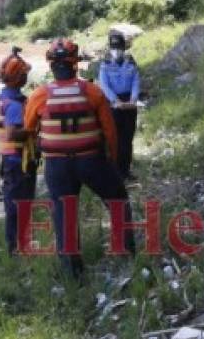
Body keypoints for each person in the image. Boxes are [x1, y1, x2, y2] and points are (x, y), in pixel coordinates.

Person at [25, 38, 134, 277]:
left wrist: (33, 161)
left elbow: (29, 132)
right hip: (91, 160)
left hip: (56, 165)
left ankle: (74, 275)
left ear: (51, 65)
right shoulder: (92, 92)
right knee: (118, 201)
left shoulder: (39, 96)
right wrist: (113, 162)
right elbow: (110, 132)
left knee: (64, 216)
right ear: (75, 64)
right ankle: (127, 254)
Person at [0, 47, 37, 256]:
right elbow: (12, 134)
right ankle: (19, 246)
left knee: (13, 204)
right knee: (21, 204)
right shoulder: (15, 106)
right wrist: (34, 129)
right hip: (19, 162)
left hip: (8, 160)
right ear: (19, 78)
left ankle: (15, 245)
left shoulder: (0, 99)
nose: (26, 77)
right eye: (24, 74)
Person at [98, 32, 141, 181]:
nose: (117, 50)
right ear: (110, 47)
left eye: (119, 47)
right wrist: (116, 101)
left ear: (124, 47)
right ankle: (115, 172)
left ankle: (126, 170)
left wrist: (133, 99)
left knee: (127, 138)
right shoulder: (105, 63)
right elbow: (104, 85)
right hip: (113, 104)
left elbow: (136, 81)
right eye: (114, 47)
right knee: (114, 138)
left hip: (129, 103)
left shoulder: (131, 62)